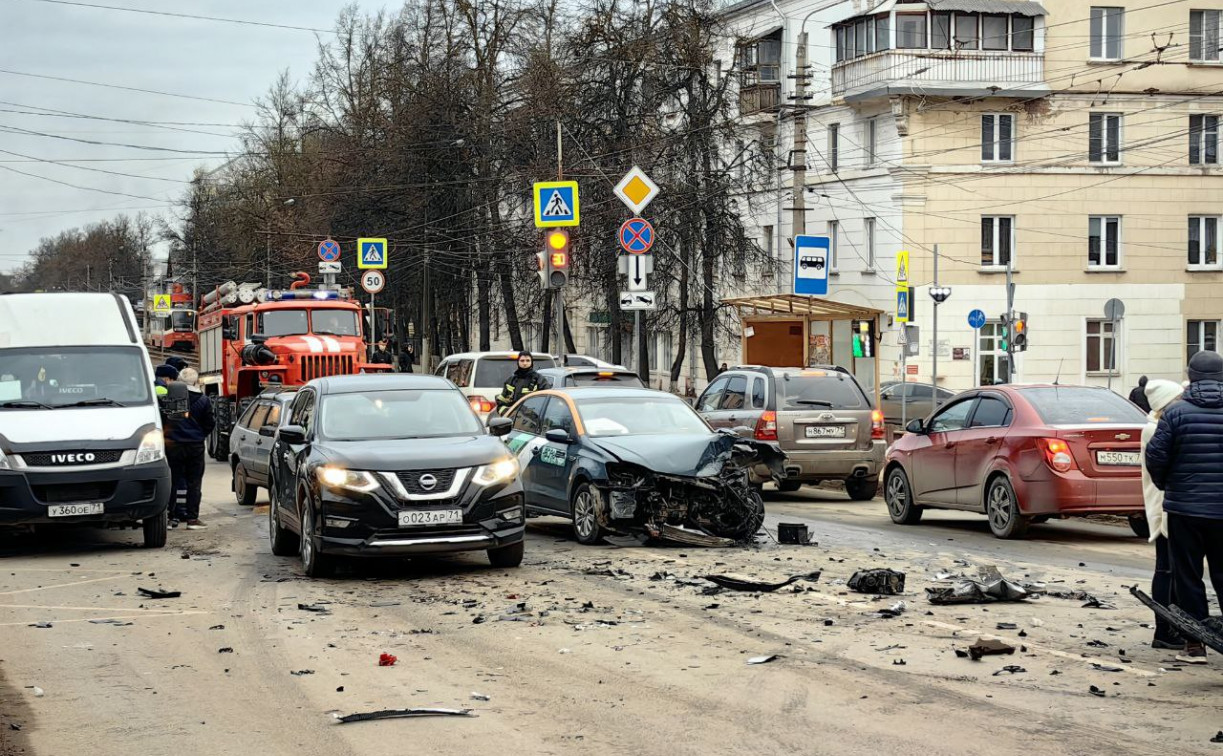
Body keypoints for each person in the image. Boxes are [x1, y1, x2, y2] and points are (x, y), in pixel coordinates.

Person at [1145, 350, 1223, 664]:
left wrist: (1169, 487)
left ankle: (1195, 646)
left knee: (1188, 576)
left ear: (1191, 377)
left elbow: (1156, 458)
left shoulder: (1176, 413)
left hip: (1185, 510)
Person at [1139, 379, 1184, 650]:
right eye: (1179, 398)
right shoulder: (1153, 429)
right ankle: (1164, 630)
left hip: (1170, 504)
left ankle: (1172, 627)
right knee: (1166, 569)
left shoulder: (1161, 425)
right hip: (1164, 505)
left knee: (1173, 569)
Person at [165, 367, 214, 530]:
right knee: (194, 482)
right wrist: (199, 435)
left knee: (172, 481)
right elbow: (209, 424)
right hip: (195, 446)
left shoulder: (170, 397)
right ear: (195, 381)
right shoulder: (204, 400)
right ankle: (192, 519)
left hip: (173, 445)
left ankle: (171, 517)